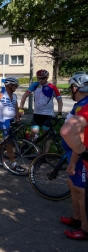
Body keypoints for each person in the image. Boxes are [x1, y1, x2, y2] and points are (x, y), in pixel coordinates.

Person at [60, 72, 88, 240]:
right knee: (73, 186)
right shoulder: (80, 104)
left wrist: (75, 161)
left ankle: (85, 228)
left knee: (81, 191)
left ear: (76, 87)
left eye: (71, 87)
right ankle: (77, 218)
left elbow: (82, 138)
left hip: (79, 156)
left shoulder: (85, 105)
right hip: (73, 154)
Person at [19, 69, 63, 141]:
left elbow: (60, 101)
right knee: (33, 134)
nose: (40, 80)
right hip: (37, 114)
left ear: (47, 78)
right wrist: (21, 108)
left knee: (46, 136)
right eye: (38, 78)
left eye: (42, 78)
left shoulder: (52, 87)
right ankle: (37, 151)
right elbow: (24, 96)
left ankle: (45, 152)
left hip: (48, 115)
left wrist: (59, 113)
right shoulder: (35, 85)